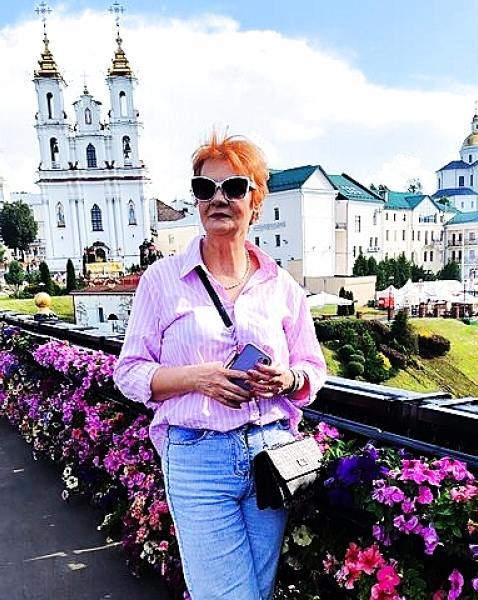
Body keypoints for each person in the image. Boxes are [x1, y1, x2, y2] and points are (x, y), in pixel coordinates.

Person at [113, 133, 327, 599]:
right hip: (197, 458)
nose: (218, 199)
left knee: (258, 591)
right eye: (204, 188)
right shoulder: (162, 280)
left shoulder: (282, 286)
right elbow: (128, 372)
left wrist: (287, 378)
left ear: (255, 201)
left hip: (270, 456)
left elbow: (313, 368)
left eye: (233, 187)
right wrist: (199, 378)